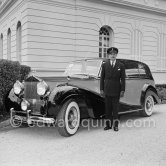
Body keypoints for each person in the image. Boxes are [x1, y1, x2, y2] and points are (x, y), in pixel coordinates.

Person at [100, 47, 126, 131]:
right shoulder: (104, 64)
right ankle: (108, 125)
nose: (113, 55)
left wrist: (122, 90)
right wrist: (101, 89)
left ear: (116, 55)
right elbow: (102, 78)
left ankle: (115, 125)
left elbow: (123, 79)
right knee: (107, 108)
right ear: (108, 55)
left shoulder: (121, 65)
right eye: (111, 54)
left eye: (114, 54)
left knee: (115, 109)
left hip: (116, 90)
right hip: (107, 89)